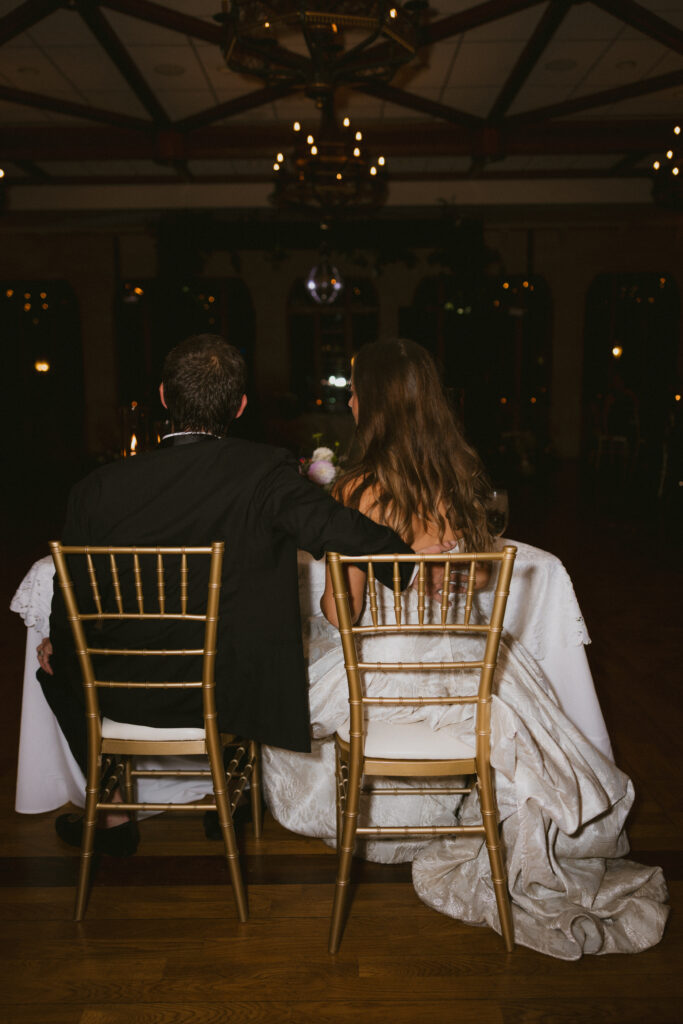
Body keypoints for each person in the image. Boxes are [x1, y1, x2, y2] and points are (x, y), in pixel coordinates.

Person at [261, 338, 669, 959]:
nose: (349, 398)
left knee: (290, 706)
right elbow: (480, 576)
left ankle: (378, 821)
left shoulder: (355, 489)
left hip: (386, 671)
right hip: (462, 666)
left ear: (370, 404)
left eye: (356, 390)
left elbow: (342, 616)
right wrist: (438, 569)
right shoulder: (453, 481)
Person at [37, 333, 422, 855]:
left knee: (54, 665)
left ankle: (113, 814)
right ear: (239, 407)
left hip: (121, 692)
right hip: (233, 693)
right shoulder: (265, 473)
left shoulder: (96, 490)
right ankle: (236, 790)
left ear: (165, 399)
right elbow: (347, 533)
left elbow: (71, 592)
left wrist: (59, 642)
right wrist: (415, 568)